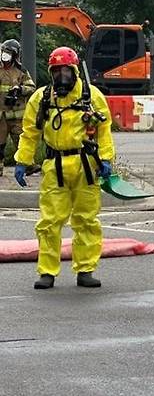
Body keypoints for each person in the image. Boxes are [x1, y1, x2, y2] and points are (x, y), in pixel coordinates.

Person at [14, 47, 115, 289]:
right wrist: (22, 160)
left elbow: (104, 130)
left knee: (86, 220)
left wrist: (106, 159)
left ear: (75, 70)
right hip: (54, 166)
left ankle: (85, 269)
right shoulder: (42, 98)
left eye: (65, 71)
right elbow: (30, 133)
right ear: (51, 72)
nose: (62, 76)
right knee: (49, 221)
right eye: (56, 71)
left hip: (86, 164)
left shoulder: (91, 96)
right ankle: (47, 271)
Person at [0, 39, 36, 176]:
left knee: (21, 141)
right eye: (4, 51)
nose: (5, 55)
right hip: (1, 116)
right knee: (0, 145)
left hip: (16, 116)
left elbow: (32, 87)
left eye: (8, 53)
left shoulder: (21, 71)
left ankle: (28, 166)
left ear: (15, 55)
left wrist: (19, 89)